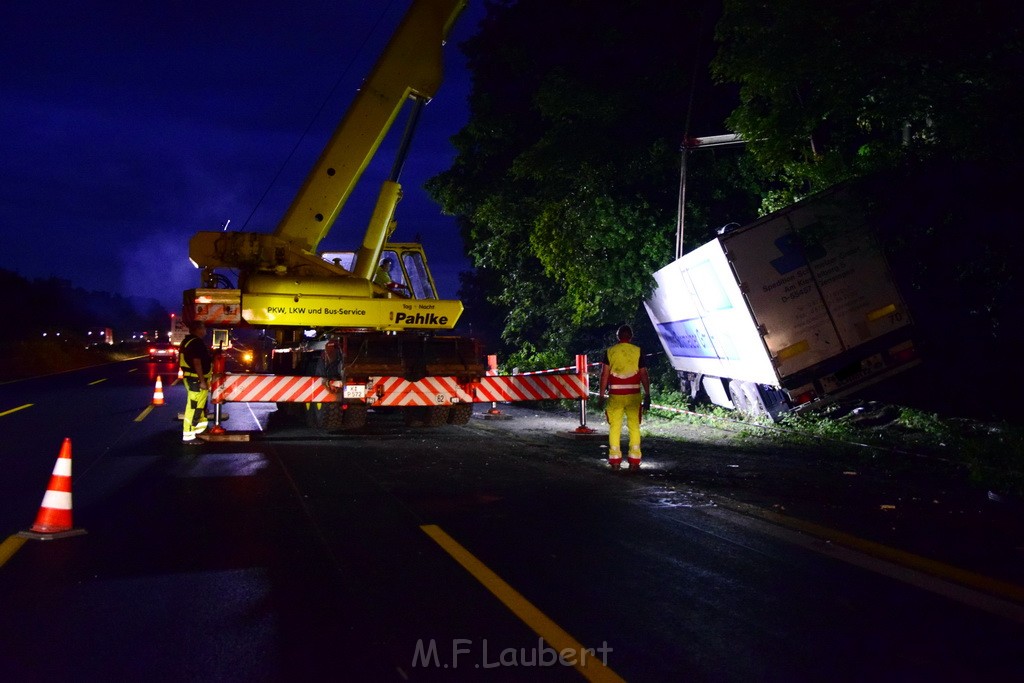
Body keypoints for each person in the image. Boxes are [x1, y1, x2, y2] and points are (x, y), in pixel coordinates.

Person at [597, 324, 651, 470]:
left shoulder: (610, 352)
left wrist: (601, 396)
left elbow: (604, 375)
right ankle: (634, 461)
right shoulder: (637, 351)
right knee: (634, 427)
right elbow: (644, 374)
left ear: (618, 337)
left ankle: (615, 461)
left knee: (615, 427)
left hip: (616, 395)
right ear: (631, 337)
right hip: (634, 395)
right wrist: (647, 394)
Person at [179, 320, 212, 445]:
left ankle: (198, 430)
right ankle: (188, 436)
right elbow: (197, 362)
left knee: (199, 406)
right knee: (193, 406)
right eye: (203, 328)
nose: (205, 331)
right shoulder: (196, 342)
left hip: (193, 378)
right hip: (196, 380)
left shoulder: (188, 341)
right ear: (198, 329)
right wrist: (202, 381)